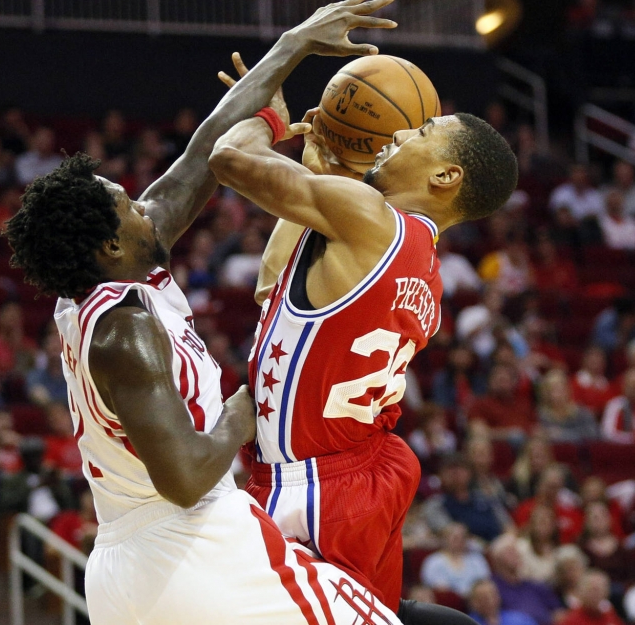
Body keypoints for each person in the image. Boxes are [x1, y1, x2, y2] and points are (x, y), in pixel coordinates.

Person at [3, 0, 443, 625]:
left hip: (137, 570)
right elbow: (184, 477)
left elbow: (199, 159)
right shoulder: (123, 328)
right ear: (108, 243)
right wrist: (244, 411)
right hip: (191, 548)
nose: (145, 205)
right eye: (128, 204)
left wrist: (292, 50)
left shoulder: (108, 282)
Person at [209, 30, 517, 615]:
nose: (401, 132)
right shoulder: (428, 274)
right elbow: (274, 288)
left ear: (445, 177)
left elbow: (227, 160)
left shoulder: (371, 221)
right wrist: (318, 165)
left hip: (315, 490)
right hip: (370, 472)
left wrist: (269, 121)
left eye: (422, 133)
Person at [488, 533, 563, 625]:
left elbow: (559, 612)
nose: (517, 555)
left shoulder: (534, 586)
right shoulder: (492, 587)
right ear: (497, 559)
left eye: (517, 551)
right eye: (510, 552)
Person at [420, 523, 492, 597]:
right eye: (455, 537)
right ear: (445, 539)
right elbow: (436, 588)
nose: (460, 540)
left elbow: (485, 582)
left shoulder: (476, 559)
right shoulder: (433, 562)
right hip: (447, 603)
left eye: (463, 537)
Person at [557, 571, 624, 625]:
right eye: (591, 590)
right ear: (581, 592)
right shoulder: (571, 619)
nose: (595, 595)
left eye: (599, 590)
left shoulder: (609, 613)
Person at [468, 579, 538, 625]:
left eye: (493, 595)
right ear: (474, 603)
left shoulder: (519, 618)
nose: (490, 601)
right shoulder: (466, 622)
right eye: (484, 598)